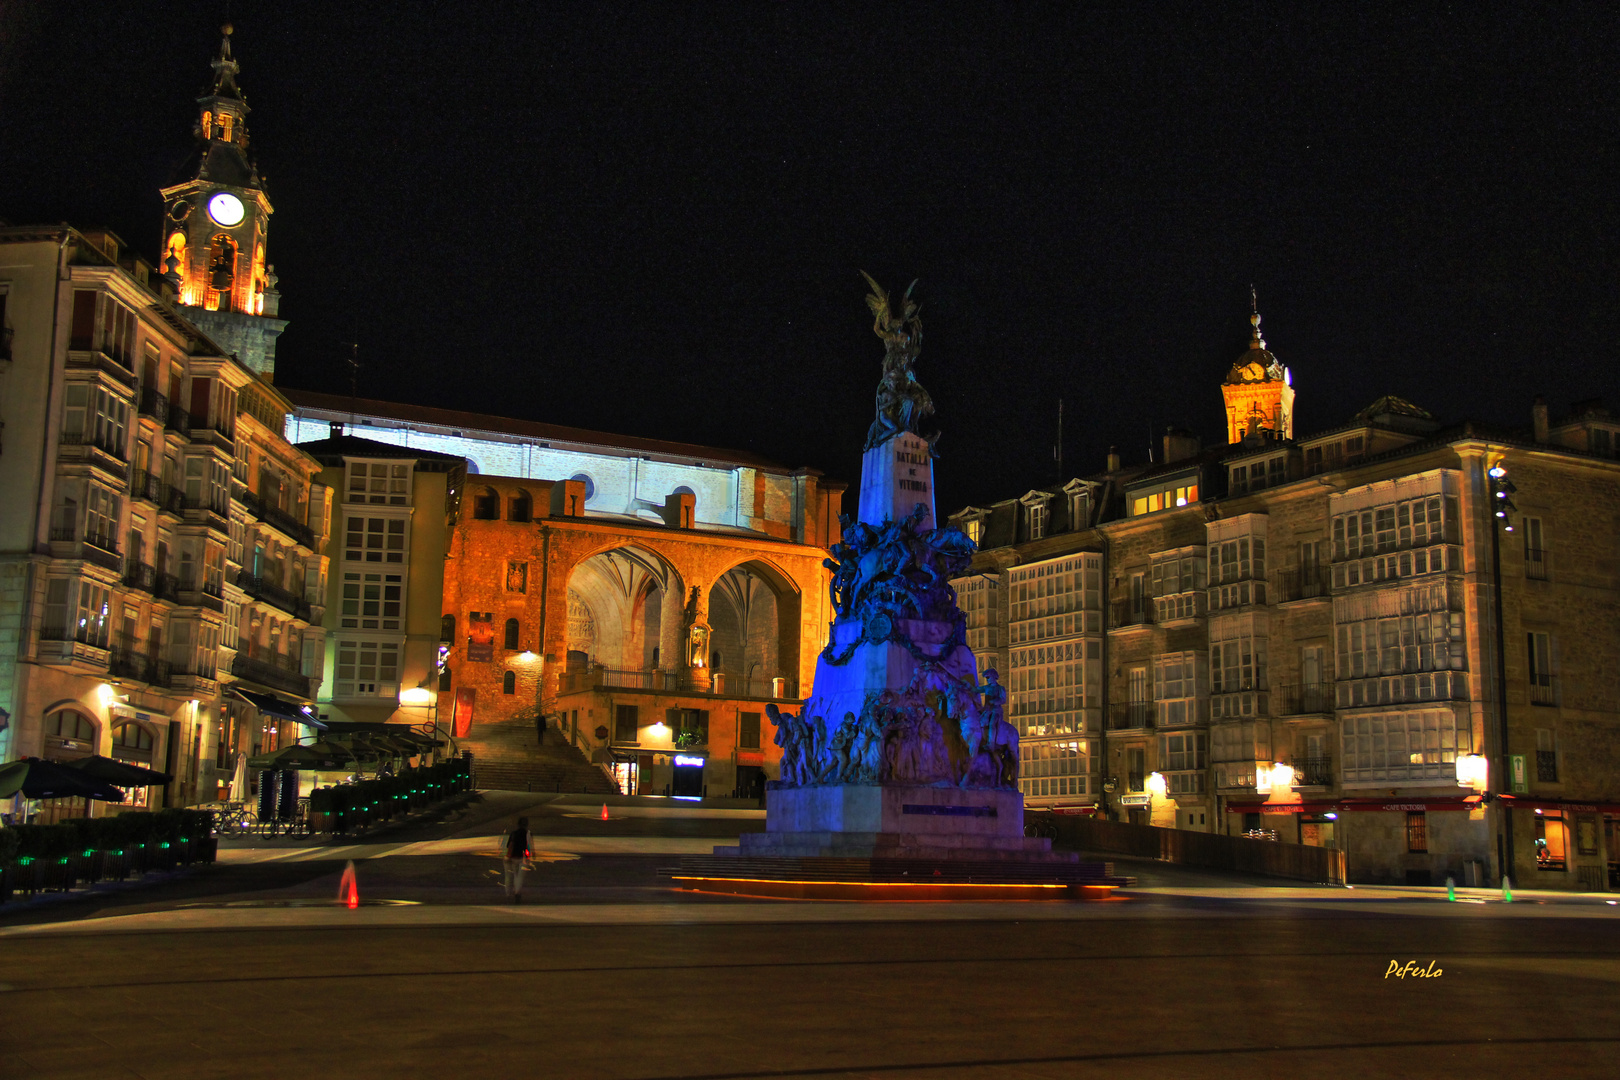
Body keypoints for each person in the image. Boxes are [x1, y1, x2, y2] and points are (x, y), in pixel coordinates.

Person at [500, 816, 534, 903]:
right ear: (527, 825)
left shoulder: (513, 833)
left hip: (512, 857)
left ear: (518, 824)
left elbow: (509, 845)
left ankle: (508, 894)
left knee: (511, 875)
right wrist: (527, 857)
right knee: (519, 877)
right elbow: (528, 848)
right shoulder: (528, 834)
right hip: (521, 858)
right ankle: (517, 892)